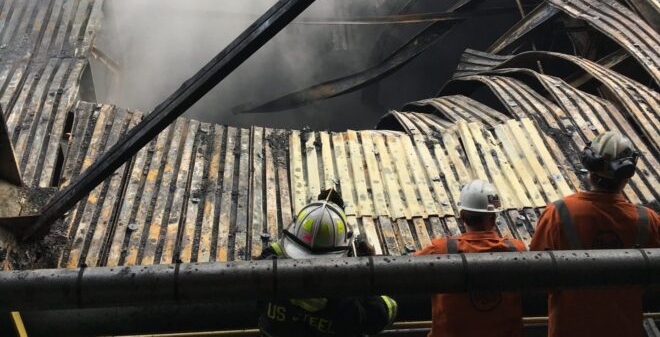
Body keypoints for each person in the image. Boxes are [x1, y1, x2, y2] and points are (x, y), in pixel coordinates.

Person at [530, 131, 660, 337]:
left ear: (588, 167)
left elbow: (533, 274)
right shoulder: (648, 220)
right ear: (626, 175)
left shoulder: (557, 213)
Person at [257, 189, 397, 337]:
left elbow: (270, 254)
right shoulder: (349, 306)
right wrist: (366, 270)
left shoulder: (266, 280)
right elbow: (386, 310)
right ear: (343, 251)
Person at [416, 179, 526, 337]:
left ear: (462, 216)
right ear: (494, 218)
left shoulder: (440, 250)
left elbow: (400, 270)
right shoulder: (517, 250)